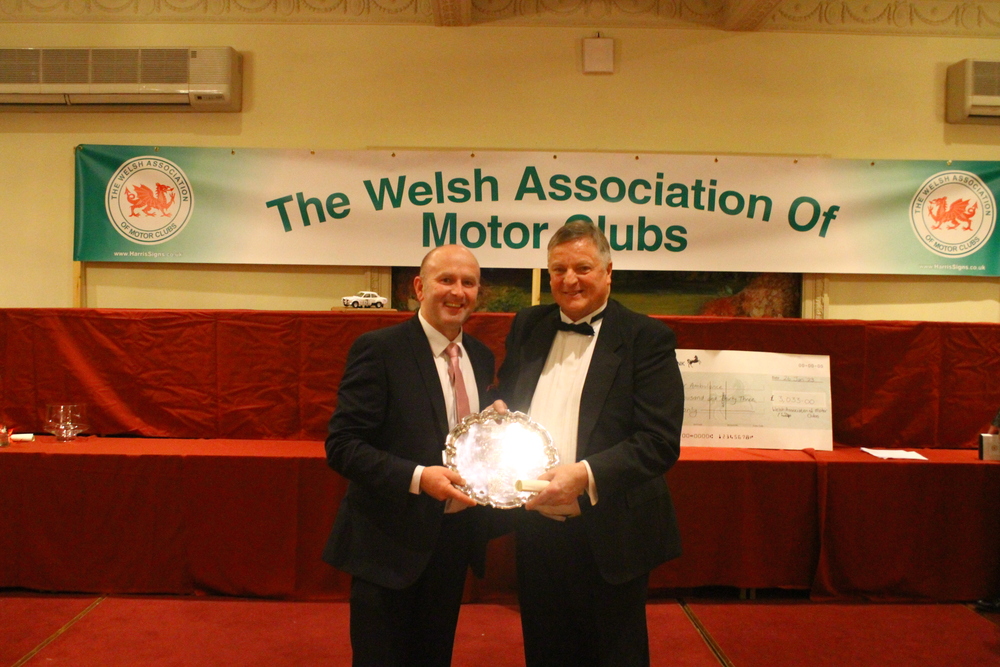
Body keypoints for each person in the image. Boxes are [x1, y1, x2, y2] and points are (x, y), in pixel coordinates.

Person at [495, 220, 684, 667]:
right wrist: (498, 413)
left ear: (608, 272)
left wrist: (583, 476)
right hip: (536, 526)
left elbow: (659, 441)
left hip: (609, 527)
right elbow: (509, 394)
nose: (569, 280)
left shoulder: (646, 338)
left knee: (614, 653)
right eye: (558, 270)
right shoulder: (528, 325)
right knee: (546, 649)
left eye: (582, 268)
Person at [322, 245, 495, 667]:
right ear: (419, 287)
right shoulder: (380, 349)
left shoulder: (480, 356)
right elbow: (343, 445)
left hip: (453, 541)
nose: (457, 292)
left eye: (468, 283)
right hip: (388, 543)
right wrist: (419, 478)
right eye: (445, 280)